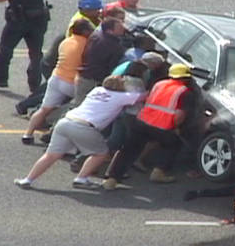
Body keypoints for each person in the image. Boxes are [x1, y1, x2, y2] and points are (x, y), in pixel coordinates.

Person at [14, 75, 144, 190]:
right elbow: (143, 96)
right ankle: (81, 178)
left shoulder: (96, 90)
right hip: (84, 127)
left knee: (51, 155)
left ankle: (28, 179)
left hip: (65, 122)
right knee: (101, 153)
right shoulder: (121, 97)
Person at [103, 63, 197, 189]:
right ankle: (159, 172)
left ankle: (112, 179)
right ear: (186, 78)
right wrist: (176, 128)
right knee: (174, 143)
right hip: (162, 127)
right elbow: (179, 116)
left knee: (129, 149)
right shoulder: (185, 92)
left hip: (142, 121)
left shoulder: (159, 84)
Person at [15, 0, 103, 115]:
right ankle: (33, 109)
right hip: (56, 61)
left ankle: (26, 106)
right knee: (58, 90)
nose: (99, 11)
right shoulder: (81, 23)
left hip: (59, 61)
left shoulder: (88, 19)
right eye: (96, 9)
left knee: (52, 88)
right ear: (86, 10)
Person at [21, 19, 94, 144]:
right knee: (76, 107)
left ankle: (28, 134)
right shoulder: (86, 45)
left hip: (56, 78)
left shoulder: (66, 42)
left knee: (44, 109)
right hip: (71, 82)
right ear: (85, 31)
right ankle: (55, 130)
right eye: (90, 29)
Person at [73, 18, 127, 105]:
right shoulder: (114, 46)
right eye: (119, 28)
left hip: (83, 77)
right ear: (110, 31)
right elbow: (112, 67)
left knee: (78, 106)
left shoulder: (95, 36)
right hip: (94, 81)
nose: (123, 28)